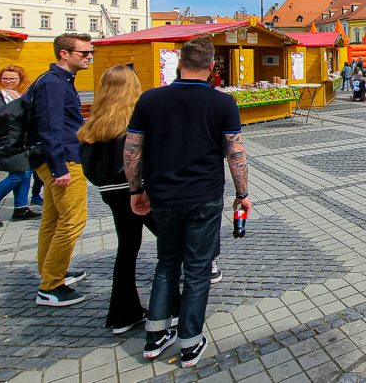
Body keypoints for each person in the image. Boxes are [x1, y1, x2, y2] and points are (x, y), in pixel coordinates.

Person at [126, 36, 249, 367]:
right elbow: (235, 152)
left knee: (166, 263)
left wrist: (136, 190)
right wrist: (242, 194)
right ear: (212, 68)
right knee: (196, 269)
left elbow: (132, 149)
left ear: (180, 64)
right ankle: (190, 342)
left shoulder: (150, 99)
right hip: (204, 195)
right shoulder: (222, 103)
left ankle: (154, 335)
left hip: (162, 194)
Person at [79, 65, 158, 334]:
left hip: (112, 193)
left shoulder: (96, 120)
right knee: (174, 245)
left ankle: (124, 312)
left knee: (127, 248)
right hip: (141, 191)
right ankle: (169, 309)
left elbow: (88, 164)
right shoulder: (137, 118)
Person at [29, 33, 93, 306]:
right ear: (64, 54)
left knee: (53, 219)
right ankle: (51, 285)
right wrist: (58, 168)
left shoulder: (58, 81)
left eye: (90, 52)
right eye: (84, 53)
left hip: (59, 157)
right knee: (73, 220)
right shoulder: (53, 84)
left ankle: (51, 270)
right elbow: (50, 127)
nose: (89, 57)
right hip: (63, 160)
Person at [0, 66, 40, 227]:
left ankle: (20, 208)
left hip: (21, 141)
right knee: (18, 174)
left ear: (20, 80)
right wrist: (20, 102)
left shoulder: (20, 94)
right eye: (5, 78)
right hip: (6, 142)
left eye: (12, 79)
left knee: (26, 172)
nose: (8, 82)